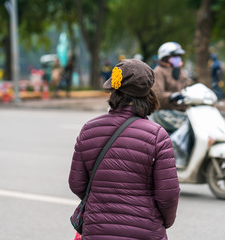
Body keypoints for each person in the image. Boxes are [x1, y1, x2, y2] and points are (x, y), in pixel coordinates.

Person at [69, 59, 180, 240]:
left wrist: (101, 201)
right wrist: (159, 221)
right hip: (145, 232)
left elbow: (77, 184)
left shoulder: (89, 129)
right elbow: (168, 195)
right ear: (147, 95)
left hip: (96, 231)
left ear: (114, 92)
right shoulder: (157, 136)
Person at [151, 42, 194, 167]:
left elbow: (188, 85)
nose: (178, 59)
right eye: (174, 56)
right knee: (189, 123)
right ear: (165, 57)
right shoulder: (158, 72)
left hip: (180, 110)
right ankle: (177, 150)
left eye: (179, 56)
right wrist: (171, 96)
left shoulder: (180, 71)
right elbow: (157, 94)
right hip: (163, 113)